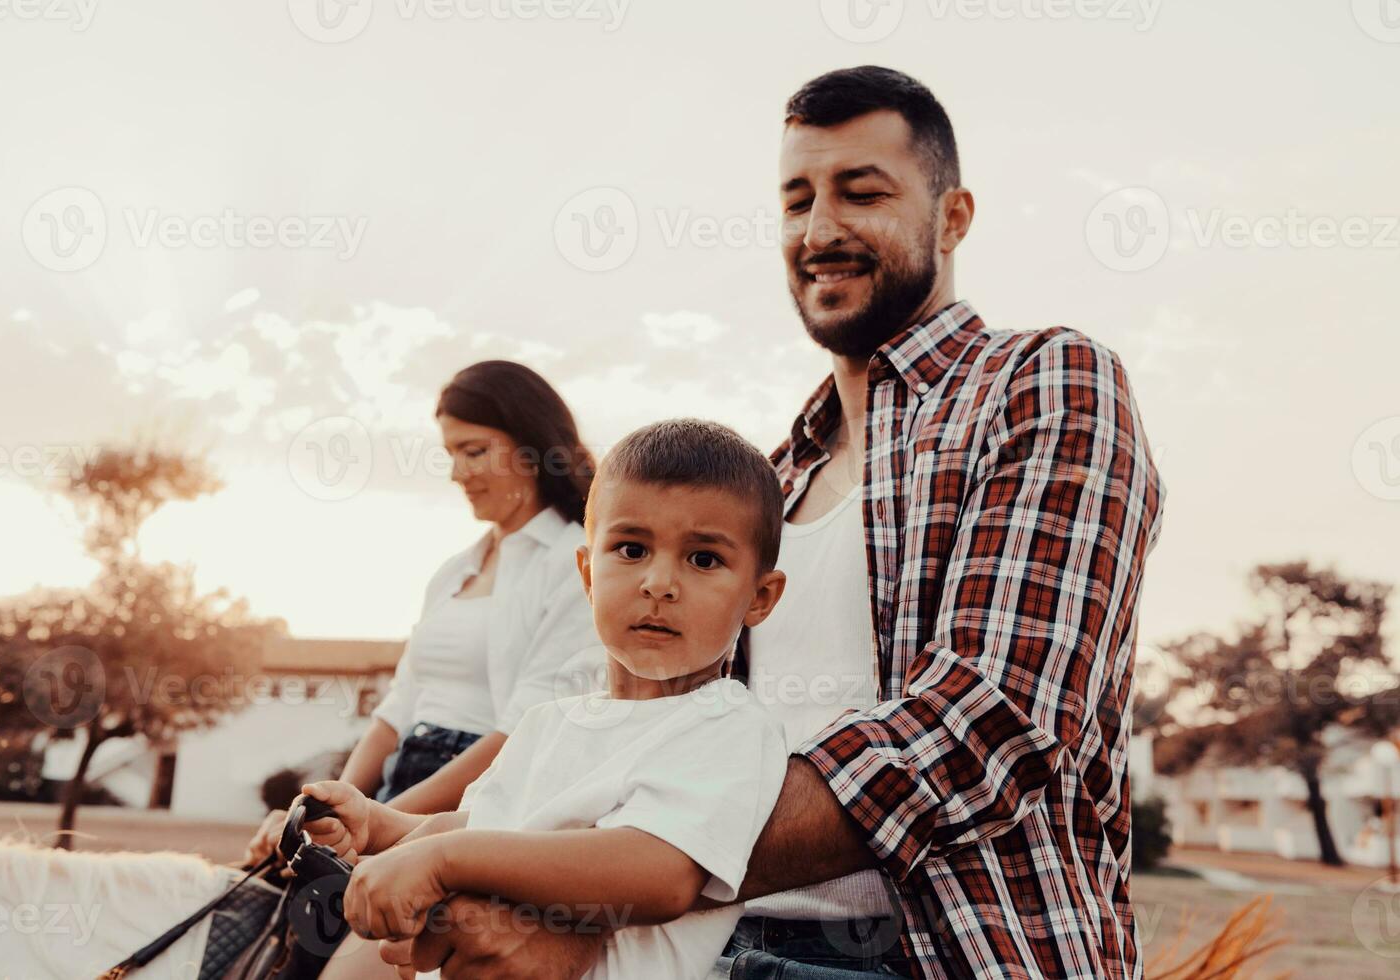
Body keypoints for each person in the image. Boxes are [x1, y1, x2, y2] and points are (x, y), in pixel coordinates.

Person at [392, 66, 1167, 980]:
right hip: (713, 950)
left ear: (953, 217)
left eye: (861, 192)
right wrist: (421, 829)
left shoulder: (1042, 382)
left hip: (949, 950)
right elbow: (626, 724)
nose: (821, 229)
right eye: (796, 199)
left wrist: (623, 878)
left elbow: (995, 716)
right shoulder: (770, 479)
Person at [300, 419, 792, 979]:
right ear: (587, 573)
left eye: (703, 559)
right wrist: (380, 824)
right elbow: (485, 827)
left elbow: (658, 873)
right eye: (631, 549)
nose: (659, 582)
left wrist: (438, 860)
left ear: (759, 596)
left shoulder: (728, 725)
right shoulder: (548, 723)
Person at [239, 360, 603, 977]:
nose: (458, 472)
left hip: (471, 807)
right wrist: (334, 806)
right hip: (395, 786)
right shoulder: (454, 570)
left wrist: (382, 826)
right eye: (449, 454)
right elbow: (396, 710)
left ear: (534, 447)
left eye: (474, 450)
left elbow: (523, 730)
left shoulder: (574, 561)